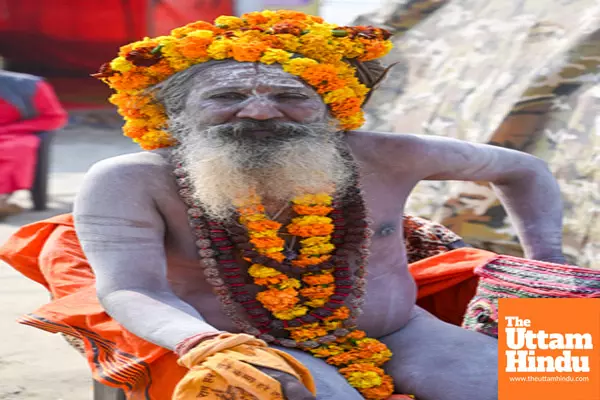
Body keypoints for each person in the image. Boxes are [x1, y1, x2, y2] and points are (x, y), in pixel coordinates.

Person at [0, 11, 568, 400]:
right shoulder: (128, 179)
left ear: (329, 107)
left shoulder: (389, 154)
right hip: (244, 344)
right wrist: (206, 345)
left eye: (290, 96)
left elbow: (525, 168)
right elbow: (132, 289)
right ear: (175, 118)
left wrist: (544, 263)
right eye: (226, 96)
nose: (260, 112)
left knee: (560, 376)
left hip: (401, 330)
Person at [0, 69, 68, 217]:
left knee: (15, 149)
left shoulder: (29, 85)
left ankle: (2, 198)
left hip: (16, 134)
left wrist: (8, 129)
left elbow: (54, 118)